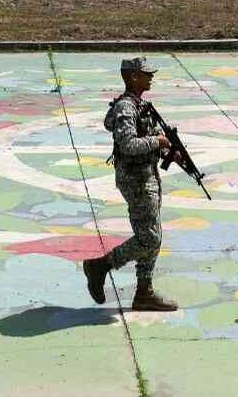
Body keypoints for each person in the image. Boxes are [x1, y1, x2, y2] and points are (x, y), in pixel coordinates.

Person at [82, 55, 178, 311]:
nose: (151, 77)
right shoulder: (126, 107)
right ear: (133, 76)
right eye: (146, 73)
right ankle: (100, 266)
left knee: (152, 237)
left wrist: (170, 152)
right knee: (149, 238)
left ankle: (144, 292)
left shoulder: (141, 105)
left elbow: (145, 139)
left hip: (148, 176)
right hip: (135, 180)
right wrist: (158, 142)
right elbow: (128, 144)